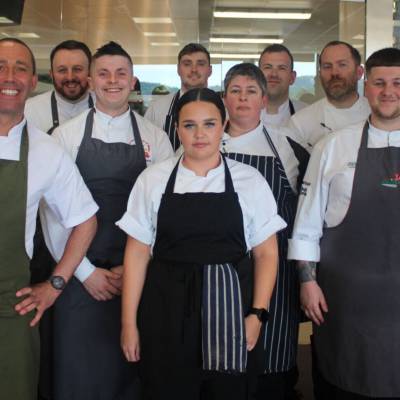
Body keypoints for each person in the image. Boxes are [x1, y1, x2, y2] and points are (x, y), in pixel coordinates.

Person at [118, 87, 285, 400]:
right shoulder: (153, 179)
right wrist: (129, 323)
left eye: (209, 124)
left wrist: (257, 315)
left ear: (223, 126)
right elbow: (137, 253)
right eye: (189, 125)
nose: (199, 134)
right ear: (177, 129)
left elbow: (267, 254)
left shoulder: (250, 181)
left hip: (231, 310)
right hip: (164, 311)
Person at [51, 41, 173, 400]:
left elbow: (163, 212)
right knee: (78, 377)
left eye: (121, 73)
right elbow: (53, 214)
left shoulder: (156, 138)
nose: (113, 81)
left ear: (133, 80)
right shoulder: (65, 137)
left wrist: (135, 266)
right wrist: (85, 271)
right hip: (77, 279)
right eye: (103, 73)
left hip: (137, 278)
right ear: (90, 81)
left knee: (131, 378)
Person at [288, 47, 400, 399]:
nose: (388, 91)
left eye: (397, 83)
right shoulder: (333, 146)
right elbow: (307, 224)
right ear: (366, 86)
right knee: (340, 382)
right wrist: (308, 283)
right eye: (379, 83)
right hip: (345, 302)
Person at [0, 38, 98, 400]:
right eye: (0, 66)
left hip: (9, 311)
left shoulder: (46, 150)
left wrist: (55, 285)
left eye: (20, 68)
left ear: (31, 81)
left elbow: (85, 221)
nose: (9, 76)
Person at [221, 63, 307, 399]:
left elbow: (305, 211)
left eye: (251, 91)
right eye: (235, 91)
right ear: (224, 98)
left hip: (275, 271)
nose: (242, 98)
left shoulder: (287, 146)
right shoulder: (203, 140)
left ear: (262, 100)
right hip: (220, 269)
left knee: (273, 365)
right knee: (223, 360)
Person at [287, 41, 370, 151]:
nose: (334, 72)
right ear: (320, 74)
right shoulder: (300, 123)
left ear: (359, 72)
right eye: (327, 66)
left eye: (342, 65)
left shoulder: (376, 114)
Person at [145, 42, 212, 150]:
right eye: (187, 64)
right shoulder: (157, 109)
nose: (194, 69)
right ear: (178, 69)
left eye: (200, 64)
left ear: (210, 70)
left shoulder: (224, 109)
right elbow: (147, 148)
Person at [25, 39, 94, 134]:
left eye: (77, 69)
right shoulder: (29, 111)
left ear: (90, 72)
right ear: (51, 74)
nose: (70, 77)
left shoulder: (107, 107)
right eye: (62, 70)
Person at [259, 44, 306, 128]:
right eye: (268, 67)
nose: (274, 74)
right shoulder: (235, 115)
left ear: (292, 77)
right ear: (257, 75)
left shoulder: (307, 114)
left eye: (281, 68)